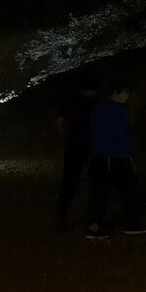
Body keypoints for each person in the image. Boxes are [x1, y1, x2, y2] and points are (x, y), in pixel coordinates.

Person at [85, 85, 146, 237]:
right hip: (113, 157)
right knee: (116, 191)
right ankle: (99, 226)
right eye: (125, 92)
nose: (127, 96)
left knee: (109, 192)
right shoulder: (115, 110)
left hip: (106, 156)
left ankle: (126, 223)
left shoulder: (102, 107)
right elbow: (120, 133)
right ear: (116, 92)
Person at [53, 81, 99, 231]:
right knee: (92, 182)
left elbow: (60, 122)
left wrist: (66, 139)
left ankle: (62, 218)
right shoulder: (94, 103)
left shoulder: (70, 100)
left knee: (70, 182)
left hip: (74, 146)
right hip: (87, 146)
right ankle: (92, 219)